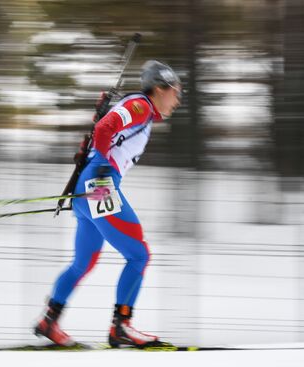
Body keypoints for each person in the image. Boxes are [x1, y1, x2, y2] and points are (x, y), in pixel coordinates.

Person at [34, 60, 182, 348]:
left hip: (86, 188)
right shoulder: (140, 106)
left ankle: (49, 321)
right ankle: (121, 326)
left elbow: (106, 129)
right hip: (99, 186)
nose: (177, 100)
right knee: (138, 254)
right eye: (176, 92)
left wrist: (98, 160)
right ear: (161, 88)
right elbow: (105, 126)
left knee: (83, 262)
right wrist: (102, 166)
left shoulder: (140, 110)